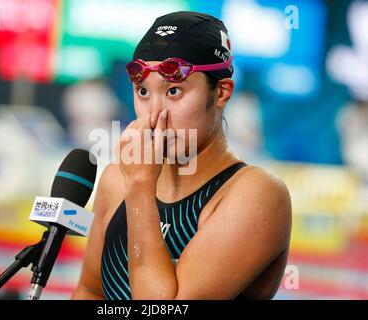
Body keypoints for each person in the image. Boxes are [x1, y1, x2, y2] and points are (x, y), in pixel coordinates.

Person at [71, 11, 292, 300]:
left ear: (222, 92)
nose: (154, 115)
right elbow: (90, 291)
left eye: (173, 91)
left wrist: (139, 189)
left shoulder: (256, 196)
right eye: (143, 91)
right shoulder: (116, 180)